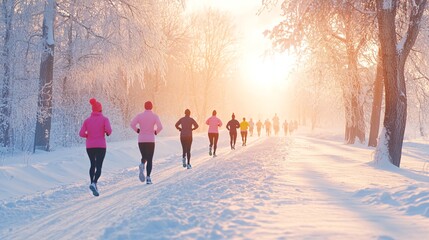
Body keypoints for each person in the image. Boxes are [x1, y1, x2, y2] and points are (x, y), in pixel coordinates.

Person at [79, 98, 112, 197]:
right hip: (101, 146)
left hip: (90, 146)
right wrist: (106, 132)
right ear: (101, 110)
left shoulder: (87, 121)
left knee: (92, 164)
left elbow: (81, 134)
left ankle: (93, 184)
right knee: (99, 166)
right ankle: (94, 182)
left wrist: (88, 135)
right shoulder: (105, 119)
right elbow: (109, 131)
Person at [130, 101, 163, 184]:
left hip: (141, 140)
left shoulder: (139, 116)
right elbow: (160, 127)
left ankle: (142, 164)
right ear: (151, 107)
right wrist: (155, 132)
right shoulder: (155, 116)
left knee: (144, 156)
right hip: (150, 140)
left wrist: (138, 130)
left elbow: (132, 124)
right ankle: (148, 178)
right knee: (150, 159)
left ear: (144, 107)